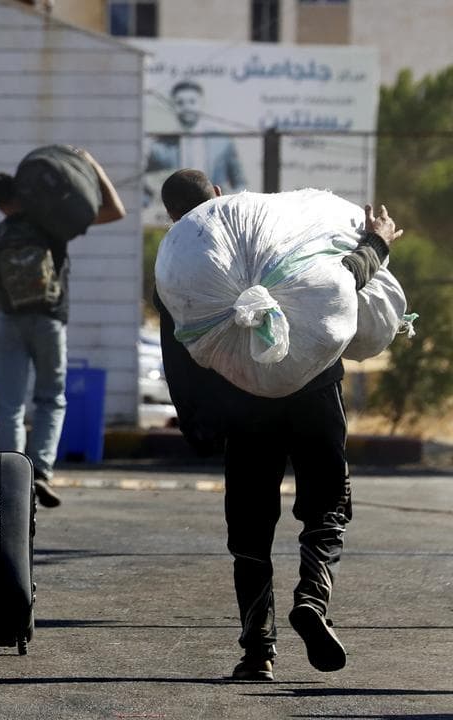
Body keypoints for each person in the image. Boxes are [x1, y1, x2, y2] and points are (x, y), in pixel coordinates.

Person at [154, 168, 403, 682]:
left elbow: (178, 352)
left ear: (172, 217)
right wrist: (377, 242)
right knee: (327, 504)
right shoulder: (270, 236)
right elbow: (341, 279)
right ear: (221, 196)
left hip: (243, 408)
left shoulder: (183, 268)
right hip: (315, 394)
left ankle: (256, 651)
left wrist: (200, 426)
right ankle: (313, 599)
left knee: (249, 527)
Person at [0, 151, 127, 508]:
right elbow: (116, 211)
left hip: (6, 323)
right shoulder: (49, 223)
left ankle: (10, 475)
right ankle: (40, 471)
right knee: (51, 397)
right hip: (50, 320)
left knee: (9, 404)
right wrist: (95, 167)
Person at [145, 80, 247, 203]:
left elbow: (239, 182)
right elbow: (147, 188)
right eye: (180, 103)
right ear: (173, 106)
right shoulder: (160, 147)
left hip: (214, 210)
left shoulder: (222, 142)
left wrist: (231, 203)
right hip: (178, 212)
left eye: (192, 102)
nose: (186, 107)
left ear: (201, 104)